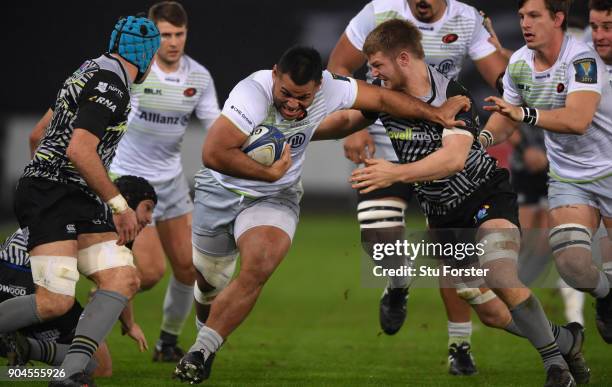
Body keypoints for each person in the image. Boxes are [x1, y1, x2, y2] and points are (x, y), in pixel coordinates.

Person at [173, 45, 470, 384]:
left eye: (303, 97)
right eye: (285, 92)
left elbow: (384, 100)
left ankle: (200, 352)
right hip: (219, 190)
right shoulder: (251, 94)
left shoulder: (333, 86)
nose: (292, 103)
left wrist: (436, 113)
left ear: (319, 87)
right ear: (274, 75)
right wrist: (269, 172)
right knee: (210, 282)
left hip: (275, 196)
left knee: (259, 265)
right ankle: (204, 326)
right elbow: (212, 152)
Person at [345, 19, 587, 387]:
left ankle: (556, 368)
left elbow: (452, 160)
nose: (372, 73)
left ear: (404, 58)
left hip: (485, 196)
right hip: (443, 219)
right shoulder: (383, 96)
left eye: (377, 65)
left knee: (501, 274)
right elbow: (339, 120)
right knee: (491, 313)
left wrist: (394, 173)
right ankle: (565, 340)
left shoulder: (452, 95)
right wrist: (298, 130)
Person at [327, 0, 510, 374]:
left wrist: (492, 127)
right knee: (378, 237)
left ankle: (459, 345)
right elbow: (338, 68)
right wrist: (358, 125)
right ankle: (397, 279)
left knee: (451, 253)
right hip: (385, 142)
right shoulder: (378, 12)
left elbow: (506, 83)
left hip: (440, 148)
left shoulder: (468, 18)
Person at [0, 15, 160, 386]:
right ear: (147, 57)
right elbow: (80, 150)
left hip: (68, 196)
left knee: (123, 277)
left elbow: (38, 135)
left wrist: (42, 181)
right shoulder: (113, 85)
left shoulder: (91, 70)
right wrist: (119, 206)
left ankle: (69, 376)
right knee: (54, 301)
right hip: (58, 195)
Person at [482, 0, 612, 345]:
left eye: (534, 15)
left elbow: (577, 120)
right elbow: (505, 118)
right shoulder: (520, 63)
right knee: (572, 265)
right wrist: (479, 140)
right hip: (570, 178)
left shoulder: (583, 59)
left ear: (557, 19)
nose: (525, 22)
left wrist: (524, 113)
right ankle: (606, 296)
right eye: (522, 16)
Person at [109, 1, 221, 362]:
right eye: (165, 35)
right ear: (152, 35)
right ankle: (99, 300)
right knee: (152, 273)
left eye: (179, 34)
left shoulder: (199, 77)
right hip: (129, 182)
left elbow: (217, 129)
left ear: (187, 33)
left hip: (170, 184)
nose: (172, 42)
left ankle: (167, 344)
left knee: (189, 268)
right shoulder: (136, 74)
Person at [0, 175, 156, 377]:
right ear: (127, 201)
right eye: (148, 207)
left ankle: (21, 349)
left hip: (9, 271)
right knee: (98, 366)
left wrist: (130, 323)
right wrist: (129, 323)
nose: (150, 218)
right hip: (34, 281)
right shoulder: (107, 221)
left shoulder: (87, 204)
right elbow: (118, 280)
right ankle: (29, 352)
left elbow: (119, 283)